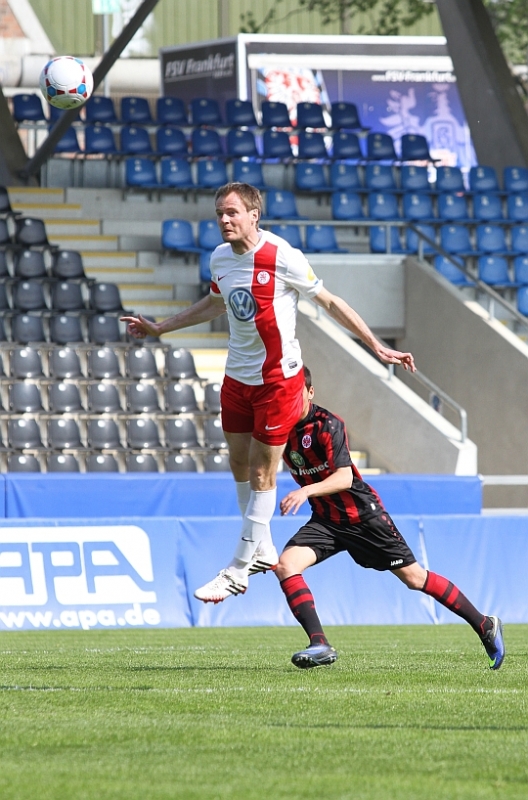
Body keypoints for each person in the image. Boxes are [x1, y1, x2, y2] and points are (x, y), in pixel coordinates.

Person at [121, 182, 416, 603]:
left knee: (263, 471)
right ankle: (261, 547)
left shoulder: (282, 256)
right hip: (237, 378)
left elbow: (330, 302)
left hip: (278, 381)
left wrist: (376, 345)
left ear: (253, 215)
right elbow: (214, 303)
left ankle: (238, 568)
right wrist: (160, 328)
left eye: (232, 213)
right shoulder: (220, 258)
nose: (224, 220)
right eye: (219, 213)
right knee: (238, 464)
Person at [273, 366, 505, 670]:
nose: (290, 399)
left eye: (296, 392)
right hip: (326, 521)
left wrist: (305, 491)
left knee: (415, 579)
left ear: (310, 392)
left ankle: (485, 624)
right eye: (285, 394)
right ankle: (319, 643)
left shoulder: (328, 425)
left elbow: (344, 477)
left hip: (362, 517)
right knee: (286, 565)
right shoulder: (278, 429)